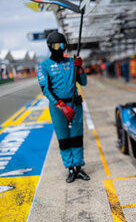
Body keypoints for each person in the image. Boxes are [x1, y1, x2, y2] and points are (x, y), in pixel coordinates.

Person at [37, 31, 90, 183]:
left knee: (77, 137)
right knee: (64, 139)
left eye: (62, 45)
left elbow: (83, 82)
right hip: (58, 108)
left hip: (75, 105)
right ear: (50, 47)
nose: (59, 48)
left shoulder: (72, 62)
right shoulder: (43, 66)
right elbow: (46, 89)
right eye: (56, 45)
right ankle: (70, 168)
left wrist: (80, 68)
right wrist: (62, 107)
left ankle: (79, 167)